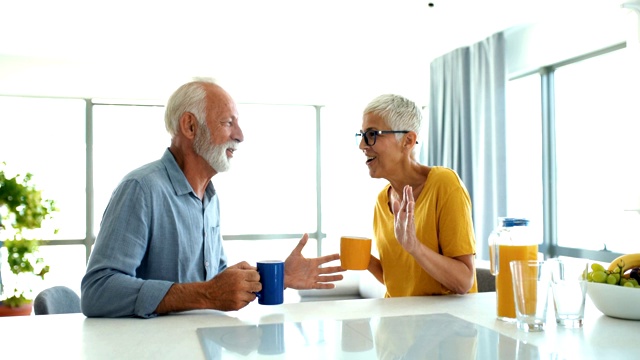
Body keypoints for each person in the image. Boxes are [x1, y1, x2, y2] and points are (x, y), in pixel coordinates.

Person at [81, 80, 343, 318]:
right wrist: (205, 294)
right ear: (190, 126)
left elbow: (216, 283)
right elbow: (97, 291)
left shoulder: (209, 198)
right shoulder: (141, 188)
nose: (240, 135)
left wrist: (279, 277)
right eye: (228, 123)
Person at [357, 94, 477, 297]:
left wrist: (414, 247)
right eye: (361, 135)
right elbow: (397, 279)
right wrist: (365, 260)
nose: (362, 145)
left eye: (371, 134)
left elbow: (463, 281)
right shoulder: (382, 201)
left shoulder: (444, 184)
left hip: (444, 325)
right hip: (397, 323)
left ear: (408, 140)